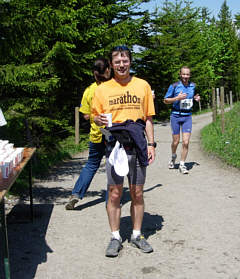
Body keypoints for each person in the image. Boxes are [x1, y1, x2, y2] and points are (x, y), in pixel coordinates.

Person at [92, 45, 156, 257]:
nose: (121, 65)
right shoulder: (102, 89)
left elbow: (148, 118)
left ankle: (137, 234)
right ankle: (115, 237)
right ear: (111, 64)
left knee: (137, 192)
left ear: (130, 61)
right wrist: (96, 119)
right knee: (115, 193)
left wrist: (151, 144)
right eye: (117, 61)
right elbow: (95, 117)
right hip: (114, 147)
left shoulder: (143, 85)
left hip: (138, 146)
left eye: (125, 60)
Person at [65, 57, 111, 210]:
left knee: (91, 164)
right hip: (114, 134)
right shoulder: (113, 88)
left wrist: (94, 117)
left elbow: (84, 114)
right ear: (107, 71)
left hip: (96, 134)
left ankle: (76, 194)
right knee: (113, 167)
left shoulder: (89, 90)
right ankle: (111, 201)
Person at [163, 66, 200, 174]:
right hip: (175, 115)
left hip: (187, 116)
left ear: (190, 75)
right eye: (183, 74)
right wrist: (176, 98)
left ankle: (182, 164)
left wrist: (196, 98)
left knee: (186, 142)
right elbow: (165, 100)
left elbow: (193, 96)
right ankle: (173, 156)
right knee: (175, 141)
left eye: (187, 74)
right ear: (180, 74)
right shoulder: (174, 86)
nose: (185, 76)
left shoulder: (193, 86)